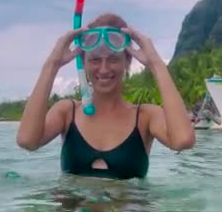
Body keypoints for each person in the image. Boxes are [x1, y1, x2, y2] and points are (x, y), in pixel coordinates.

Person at [16, 13, 195, 179]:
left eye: (113, 59)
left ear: (127, 61)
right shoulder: (67, 112)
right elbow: (27, 141)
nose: (103, 69)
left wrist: (156, 64)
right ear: (83, 62)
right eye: (95, 60)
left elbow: (182, 140)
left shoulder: (145, 117)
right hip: (74, 211)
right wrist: (52, 64)